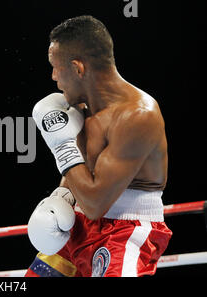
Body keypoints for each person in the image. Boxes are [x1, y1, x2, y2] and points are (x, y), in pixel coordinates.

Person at [26, 16, 172, 277]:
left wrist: (60, 144)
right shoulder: (82, 106)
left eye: (56, 67)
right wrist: (62, 196)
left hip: (125, 231)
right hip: (80, 222)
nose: (53, 76)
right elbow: (84, 169)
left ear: (78, 68)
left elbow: (95, 203)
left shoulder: (137, 115)